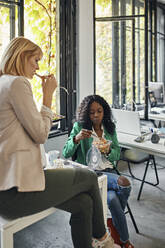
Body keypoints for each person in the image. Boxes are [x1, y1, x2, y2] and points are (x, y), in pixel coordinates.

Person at [0, 37, 120, 248]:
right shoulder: (17, 83)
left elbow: (25, 130)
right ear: (21, 56)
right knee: (89, 177)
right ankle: (104, 240)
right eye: (35, 60)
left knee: (83, 204)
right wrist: (48, 96)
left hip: (7, 189)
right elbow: (40, 134)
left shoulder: (3, 83)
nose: (37, 66)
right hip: (15, 193)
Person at [63, 94, 134, 248]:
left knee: (116, 197)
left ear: (104, 111)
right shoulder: (79, 128)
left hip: (108, 171)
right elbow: (66, 153)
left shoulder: (109, 128)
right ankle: (124, 240)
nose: (96, 115)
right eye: (92, 112)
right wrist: (77, 138)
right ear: (86, 114)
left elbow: (116, 154)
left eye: (99, 111)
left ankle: (116, 230)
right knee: (123, 184)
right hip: (90, 175)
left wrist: (108, 150)